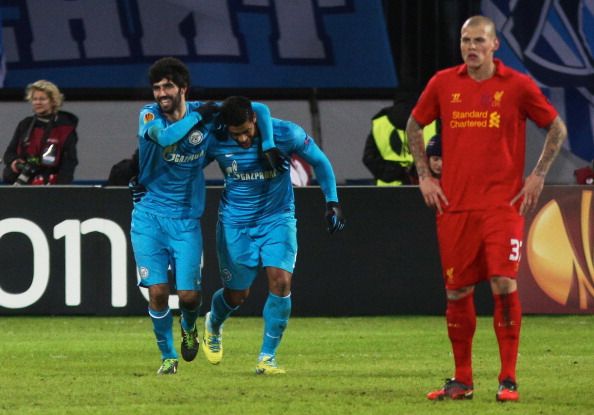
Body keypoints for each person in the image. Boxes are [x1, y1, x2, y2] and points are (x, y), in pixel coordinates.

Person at [406, 15, 567, 402]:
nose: (471, 47)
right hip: (455, 208)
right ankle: (462, 381)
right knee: (457, 291)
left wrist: (538, 175)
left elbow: (557, 129)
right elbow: (414, 126)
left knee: (503, 282)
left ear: (495, 45)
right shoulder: (443, 83)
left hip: (502, 206)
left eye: (479, 40)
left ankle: (507, 379)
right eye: (465, 40)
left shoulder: (517, 86)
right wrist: (425, 176)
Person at [131, 57, 283, 375]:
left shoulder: (210, 113)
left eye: (168, 86)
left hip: (186, 220)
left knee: (188, 297)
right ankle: (168, 357)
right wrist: (200, 115)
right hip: (148, 216)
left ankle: (189, 329)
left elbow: (260, 110)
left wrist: (267, 142)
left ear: (183, 88)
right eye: (157, 87)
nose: (161, 93)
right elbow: (165, 138)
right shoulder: (149, 114)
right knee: (157, 292)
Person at [201, 96, 345, 374]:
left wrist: (332, 201)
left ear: (255, 120)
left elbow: (320, 161)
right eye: (236, 134)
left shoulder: (285, 133)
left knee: (281, 282)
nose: (242, 139)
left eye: (246, 131)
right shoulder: (216, 138)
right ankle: (213, 323)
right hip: (235, 223)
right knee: (237, 295)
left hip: (277, 218)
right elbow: (190, 168)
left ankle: (267, 358)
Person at [2, 80, 78, 185]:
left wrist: (61, 189)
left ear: (53, 101)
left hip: (51, 187)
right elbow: (9, 154)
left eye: (42, 99)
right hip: (22, 185)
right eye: (34, 99)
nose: (37, 102)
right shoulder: (25, 124)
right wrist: (15, 161)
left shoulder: (65, 128)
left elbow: (69, 163)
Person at [362, 96, 437, 185]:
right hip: (425, 188)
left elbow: (369, 158)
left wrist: (396, 171)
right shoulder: (433, 121)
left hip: (387, 191)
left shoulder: (381, 123)